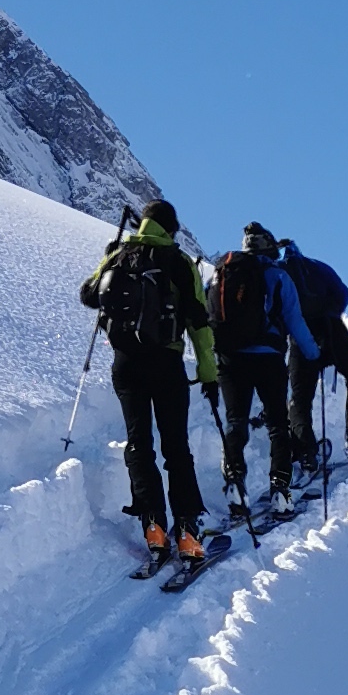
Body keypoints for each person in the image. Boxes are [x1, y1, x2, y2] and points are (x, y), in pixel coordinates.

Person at [81, 199, 217, 561]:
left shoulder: (120, 254)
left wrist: (109, 256)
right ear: (170, 228)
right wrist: (208, 372)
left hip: (125, 364)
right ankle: (188, 533)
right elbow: (198, 323)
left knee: (139, 444)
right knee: (176, 447)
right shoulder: (179, 262)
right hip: (166, 363)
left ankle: (153, 527)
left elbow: (88, 295)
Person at [210, 221, 321, 517]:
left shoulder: (225, 272)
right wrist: (313, 354)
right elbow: (295, 321)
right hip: (268, 358)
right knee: (277, 424)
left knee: (236, 421)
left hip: (230, 358)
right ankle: (280, 490)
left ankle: (235, 482)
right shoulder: (278, 276)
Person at [278, 237, 348, 466]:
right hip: (332, 330)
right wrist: (332, 312)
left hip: (300, 336)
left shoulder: (279, 272)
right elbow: (343, 292)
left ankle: (306, 450)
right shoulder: (318, 267)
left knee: (300, 399)